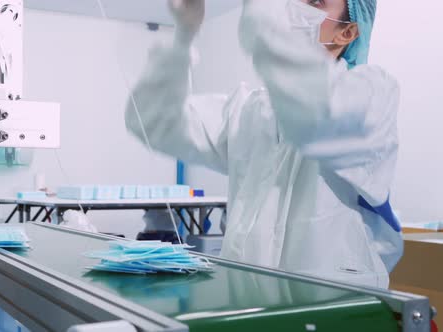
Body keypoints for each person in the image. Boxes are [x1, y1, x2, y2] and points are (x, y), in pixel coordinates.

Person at [125, 0, 403, 288]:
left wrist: (262, 12)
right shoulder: (249, 110)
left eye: (316, 1)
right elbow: (153, 121)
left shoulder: (372, 95)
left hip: (338, 309)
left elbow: (314, 116)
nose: (293, 7)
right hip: (250, 307)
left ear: (346, 33)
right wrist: (184, 33)